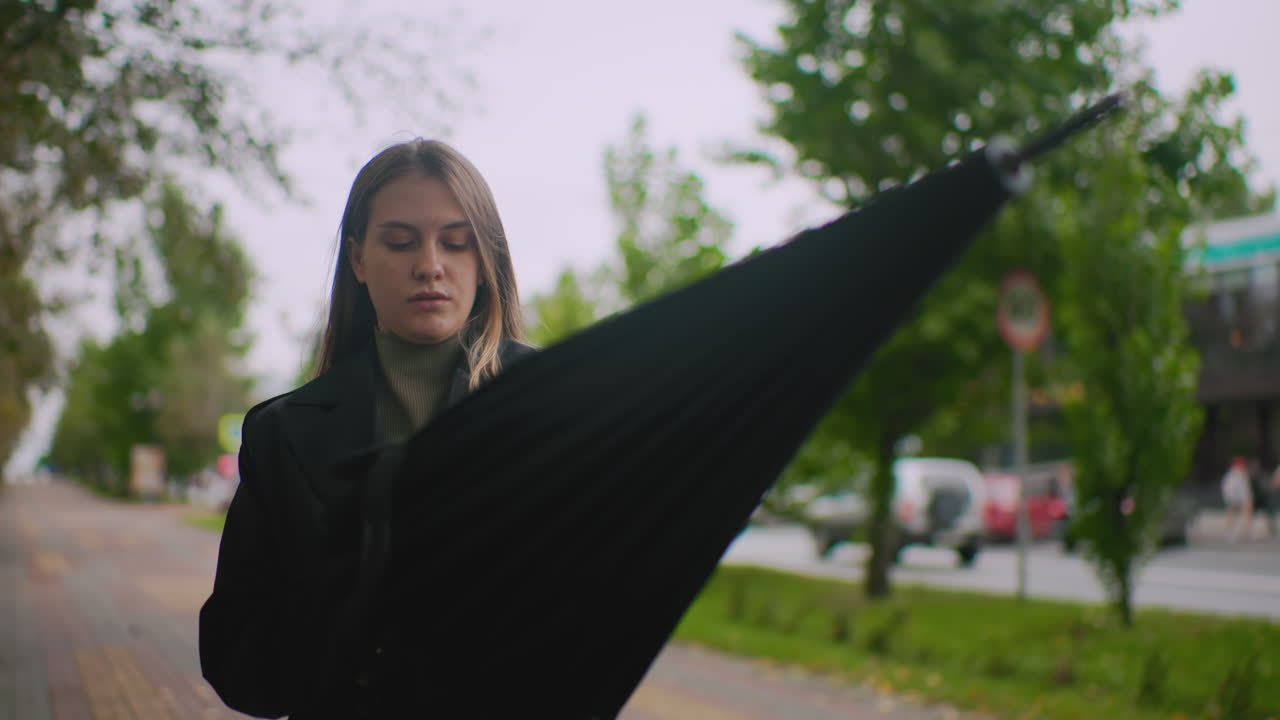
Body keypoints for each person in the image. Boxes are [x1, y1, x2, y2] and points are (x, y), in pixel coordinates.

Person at [198, 138, 533, 719]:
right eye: (401, 241)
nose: (430, 263)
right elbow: (240, 665)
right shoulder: (282, 434)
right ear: (357, 260)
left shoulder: (545, 404)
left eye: (456, 243)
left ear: (485, 263)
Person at [1221, 456, 1253, 542]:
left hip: (1239, 497)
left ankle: (1244, 531)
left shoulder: (1236, 474)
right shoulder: (1235, 474)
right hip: (1237, 497)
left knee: (1238, 513)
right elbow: (1234, 488)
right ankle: (1233, 531)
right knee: (1233, 514)